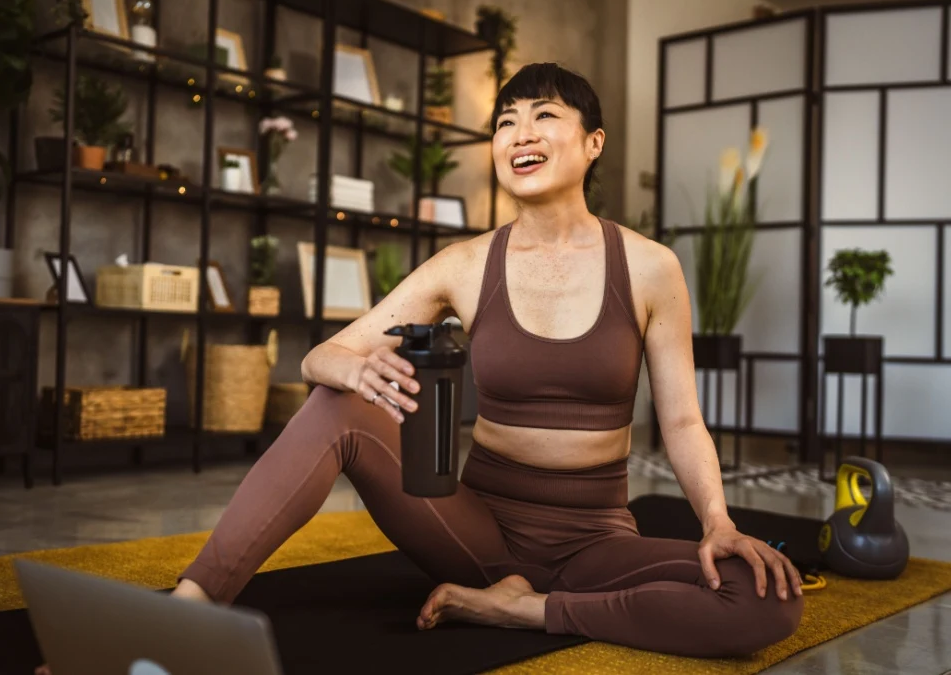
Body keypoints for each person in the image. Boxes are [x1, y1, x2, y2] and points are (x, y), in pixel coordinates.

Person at [175, 62, 804, 658]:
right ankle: (187, 609)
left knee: (764, 595)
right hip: (474, 531)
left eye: (545, 116)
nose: (520, 134)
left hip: (596, 545)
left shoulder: (649, 268)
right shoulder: (465, 264)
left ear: (593, 143)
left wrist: (717, 522)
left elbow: (684, 423)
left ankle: (526, 609)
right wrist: (346, 368)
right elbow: (323, 355)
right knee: (336, 404)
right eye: (505, 122)